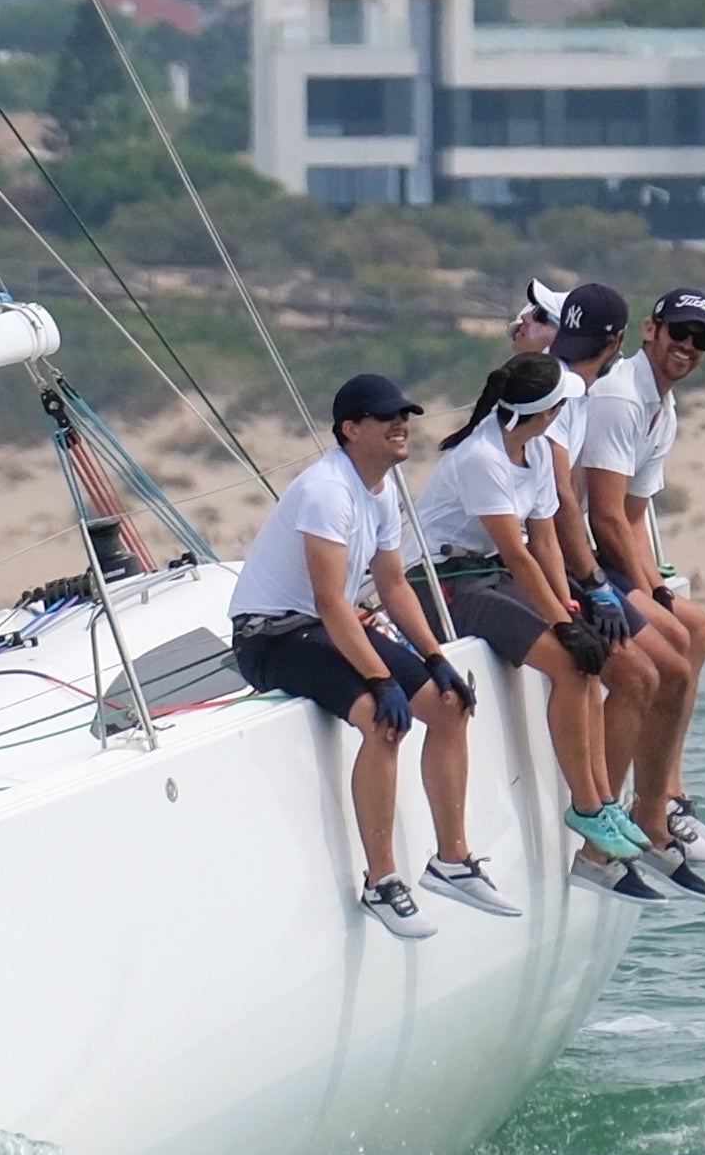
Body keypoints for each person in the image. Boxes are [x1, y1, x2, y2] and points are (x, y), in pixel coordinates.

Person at [228, 373, 507, 940]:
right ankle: (382, 882)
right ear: (352, 430)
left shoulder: (381, 489)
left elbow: (393, 584)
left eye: (403, 415)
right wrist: (382, 681)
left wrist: (435, 659)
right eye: (386, 418)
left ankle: (452, 860)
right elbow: (332, 602)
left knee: (450, 705)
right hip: (272, 636)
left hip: (324, 627)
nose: (400, 425)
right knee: (384, 720)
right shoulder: (327, 491)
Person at [416, 352, 666, 905]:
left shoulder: (531, 452)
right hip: (442, 582)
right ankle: (585, 805)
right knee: (568, 663)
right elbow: (516, 552)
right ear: (548, 412)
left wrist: (569, 610)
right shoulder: (484, 456)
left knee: (588, 656)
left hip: (488, 573)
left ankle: (602, 802)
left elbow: (545, 539)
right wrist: (558, 620)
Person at [580, 288, 705, 893]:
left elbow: (636, 515)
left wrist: (656, 587)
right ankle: (643, 811)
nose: (687, 348)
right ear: (651, 330)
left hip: (607, 546)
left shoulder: (662, 409)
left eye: (701, 341)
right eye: (679, 333)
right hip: (581, 553)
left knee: (699, 627)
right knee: (670, 642)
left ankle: (666, 796)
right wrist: (650, 594)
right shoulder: (620, 396)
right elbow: (606, 518)